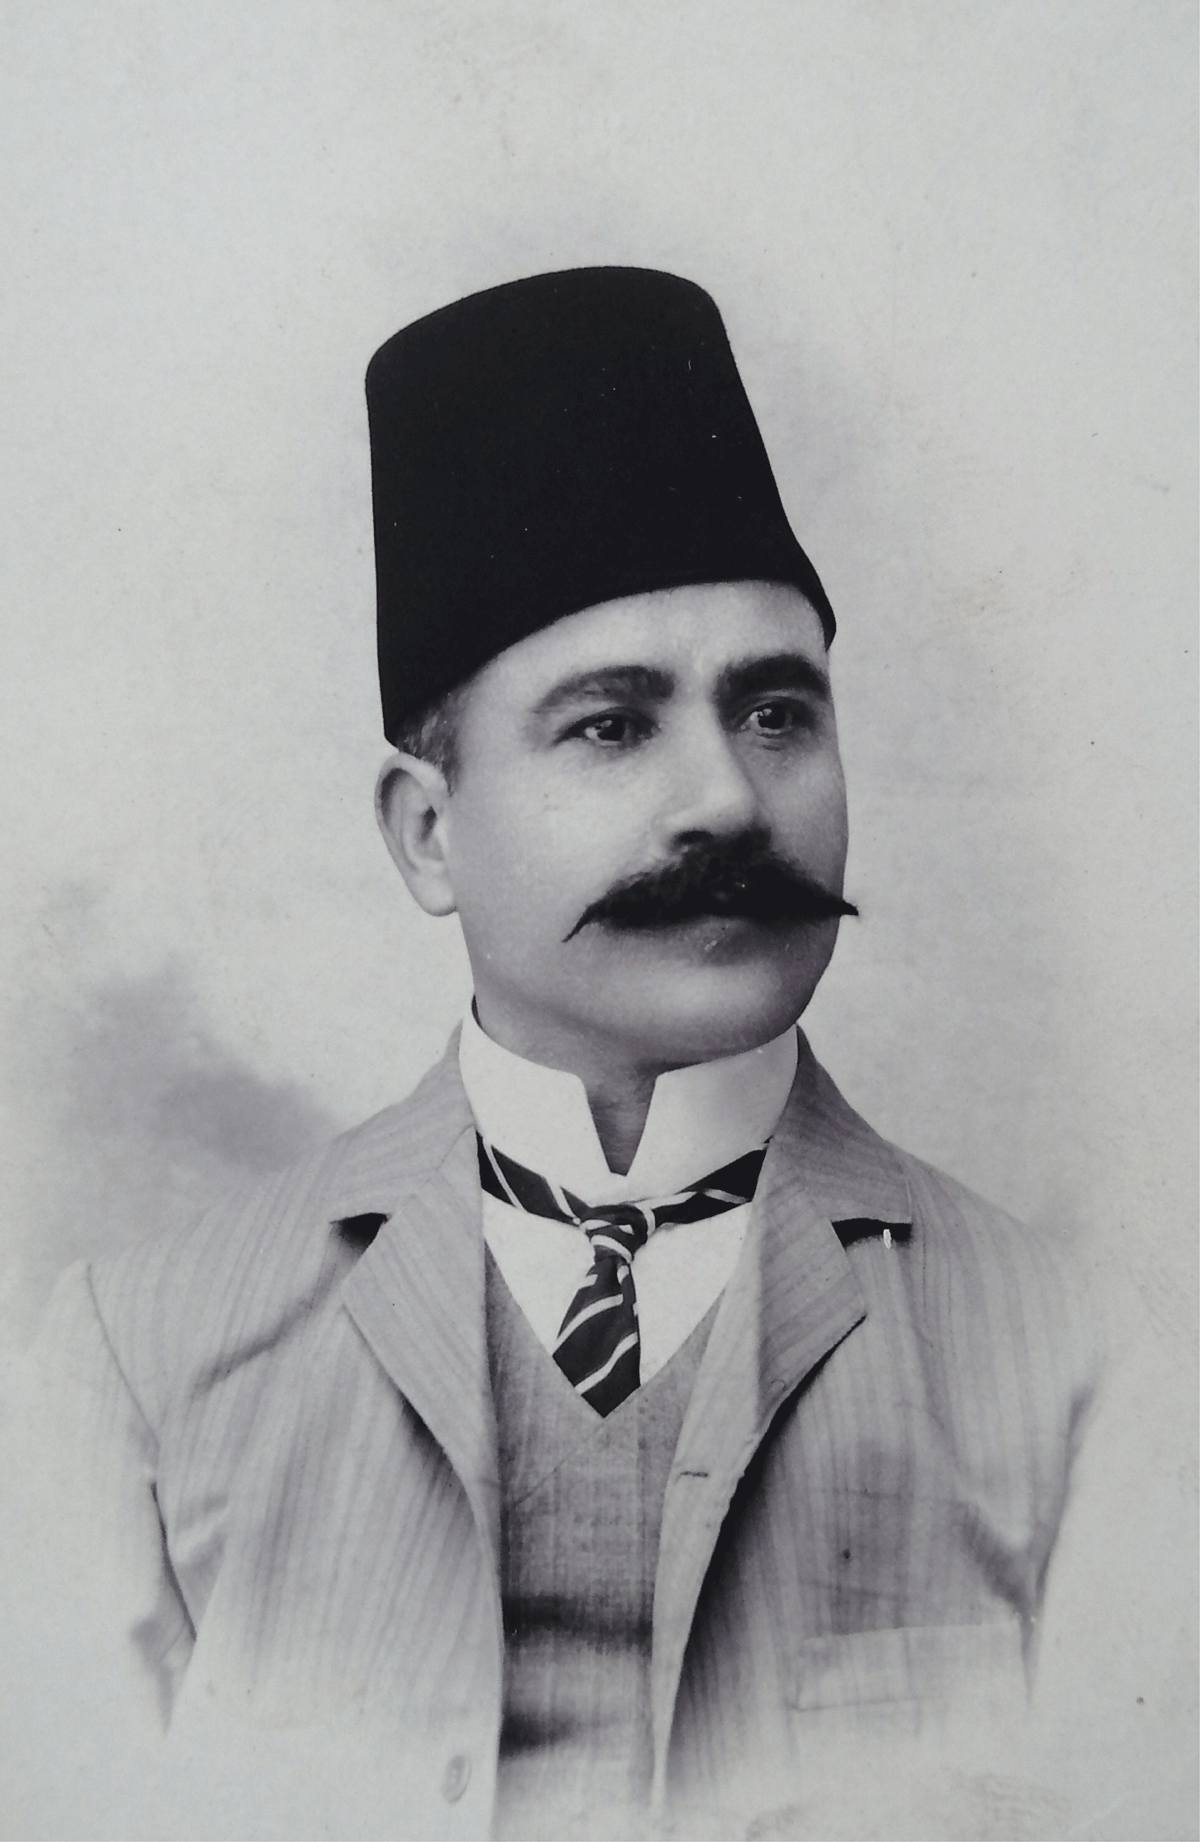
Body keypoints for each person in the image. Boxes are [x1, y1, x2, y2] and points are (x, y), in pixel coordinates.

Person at [3, 268, 1096, 1841]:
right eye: (612, 723)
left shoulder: (1082, 1377)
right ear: (430, 832)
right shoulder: (142, 1369)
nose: (728, 798)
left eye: (779, 711)